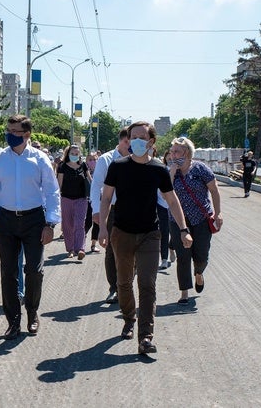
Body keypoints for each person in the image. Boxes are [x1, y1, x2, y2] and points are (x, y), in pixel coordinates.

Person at [98, 121, 192, 355]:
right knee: (123, 283)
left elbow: (172, 201)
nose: (137, 140)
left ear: (151, 142)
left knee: (148, 284)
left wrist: (183, 229)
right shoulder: (118, 167)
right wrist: (102, 228)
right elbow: (107, 198)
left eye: (142, 137)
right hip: (122, 233)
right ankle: (129, 318)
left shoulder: (159, 169)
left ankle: (146, 336)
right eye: (133, 136)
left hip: (150, 234)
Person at [0, 114, 61, 340]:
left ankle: (32, 313)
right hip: (6, 220)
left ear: (27, 135)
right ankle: (13, 321)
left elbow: (52, 192)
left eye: (15, 132)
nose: (10, 135)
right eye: (8, 130)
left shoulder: (40, 159)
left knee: (34, 269)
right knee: (8, 271)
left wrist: (51, 223)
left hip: (34, 220)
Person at [168, 136, 223, 306]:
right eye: (172, 151)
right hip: (178, 221)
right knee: (183, 256)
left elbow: (214, 190)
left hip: (201, 219)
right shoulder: (170, 171)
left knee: (201, 254)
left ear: (186, 152)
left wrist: (218, 213)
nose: (173, 154)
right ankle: (184, 292)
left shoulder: (200, 169)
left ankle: (199, 273)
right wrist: (171, 172)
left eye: (176, 151)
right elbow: (165, 192)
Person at [90, 128, 130, 304]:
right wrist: (96, 211)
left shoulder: (140, 159)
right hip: (112, 209)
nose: (131, 145)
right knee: (111, 250)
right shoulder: (106, 160)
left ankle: (126, 286)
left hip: (134, 210)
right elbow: (96, 186)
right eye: (128, 142)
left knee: (132, 251)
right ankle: (114, 288)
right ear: (121, 141)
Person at [57, 144, 91, 260]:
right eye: (72, 154)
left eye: (77, 154)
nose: (75, 156)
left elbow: (90, 180)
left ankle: (80, 249)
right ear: (68, 154)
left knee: (79, 224)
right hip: (66, 199)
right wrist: (56, 199)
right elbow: (59, 184)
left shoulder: (83, 165)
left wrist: (95, 193)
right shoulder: (62, 166)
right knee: (67, 225)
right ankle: (70, 249)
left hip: (81, 199)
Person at [156, 148, 172, 270]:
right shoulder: (161, 170)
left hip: (175, 206)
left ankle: (172, 247)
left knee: (176, 232)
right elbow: (161, 192)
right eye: (168, 157)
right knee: (164, 231)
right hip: (162, 205)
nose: (171, 159)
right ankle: (164, 259)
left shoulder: (180, 171)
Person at [84, 152, 100, 253]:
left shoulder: (101, 171)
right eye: (90, 160)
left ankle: (93, 245)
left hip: (98, 200)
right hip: (86, 200)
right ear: (86, 161)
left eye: (94, 159)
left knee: (97, 223)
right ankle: (81, 242)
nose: (92, 162)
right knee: (88, 222)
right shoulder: (83, 172)